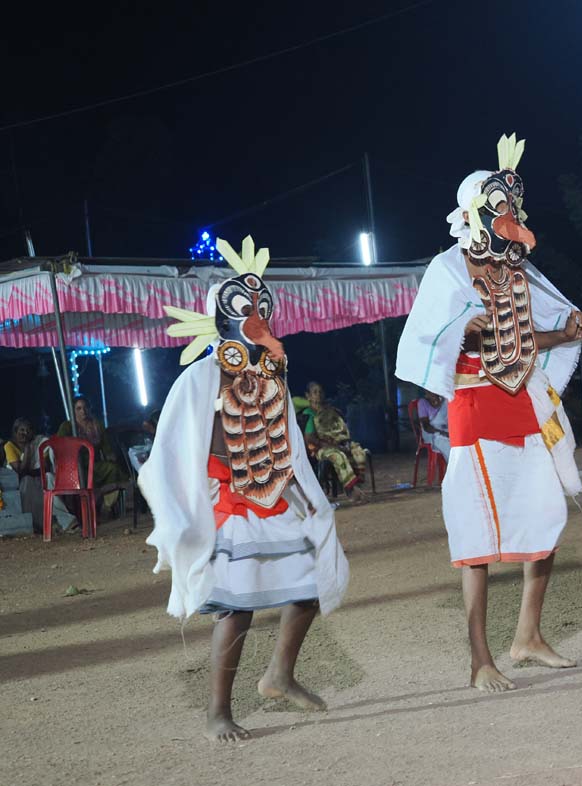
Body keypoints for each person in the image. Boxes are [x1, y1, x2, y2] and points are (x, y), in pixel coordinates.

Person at [394, 135, 582, 693]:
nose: (511, 218)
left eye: (514, 209)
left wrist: (564, 330)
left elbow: (524, 338)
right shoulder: (447, 269)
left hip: (524, 403)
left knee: (547, 512)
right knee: (475, 527)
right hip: (475, 405)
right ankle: (480, 659)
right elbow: (426, 341)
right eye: (500, 208)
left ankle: (527, 636)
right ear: (475, 213)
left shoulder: (517, 271)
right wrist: (463, 327)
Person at [140, 235, 349, 742]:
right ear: (224, 320)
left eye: (263, 311)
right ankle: (218, 711)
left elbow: (289, 446)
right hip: (228, 503)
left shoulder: (272, 377)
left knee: (312, 582)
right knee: (237, 606)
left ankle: (279, 674)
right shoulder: (200, 377)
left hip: (275, 495)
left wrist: (308, 500)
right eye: (246, 311)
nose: (258, 319)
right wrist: (183, 513)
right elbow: (168, 449)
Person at [5, 417, 79, 533]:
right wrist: (28, 450)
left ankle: (63, 522)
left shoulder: (38, 442)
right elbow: (20, 470)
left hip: (39, 478)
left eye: (28, 430)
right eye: (22, 430)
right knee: (30, 482)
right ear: (15, 432)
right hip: (22, 485)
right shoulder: (9, 446)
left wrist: (32, 468)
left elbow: (45, 468)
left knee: (49, 477)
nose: (25, 433)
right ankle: (66, 522)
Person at [300, 382, 370, 501]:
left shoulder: (331, 411)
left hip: (340, 443)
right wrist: (332, 445)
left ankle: (355, 484)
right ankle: (351, 490)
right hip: (322, 447)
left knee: (359, 452)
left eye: (320, 392)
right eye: (315, 392)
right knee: (338, 456)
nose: (319, 395)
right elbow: (309, 438)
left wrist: (345, 443)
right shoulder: (309, 414)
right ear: (308, 396)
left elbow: (342, 429)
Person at [57, 396, 127, 514]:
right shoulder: (67, 426)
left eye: (85, 408)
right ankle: (85, 511)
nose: (83, 411)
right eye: (78, 408)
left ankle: (106, 504)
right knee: (81, 478)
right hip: (76, 467)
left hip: (95, 464)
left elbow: (106, 447)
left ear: (89, 409)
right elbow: (59, 446)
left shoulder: (97, 425)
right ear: (73, 411)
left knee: (113, 469)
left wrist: (111, 455)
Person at [416, 389, 451, 459]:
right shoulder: (423, 403)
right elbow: (426, 426)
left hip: (445, 430)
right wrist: (442, 432)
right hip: (431, 433)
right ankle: (454, 467)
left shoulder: (445, 401)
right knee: (446, 443)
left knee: (457, 443)